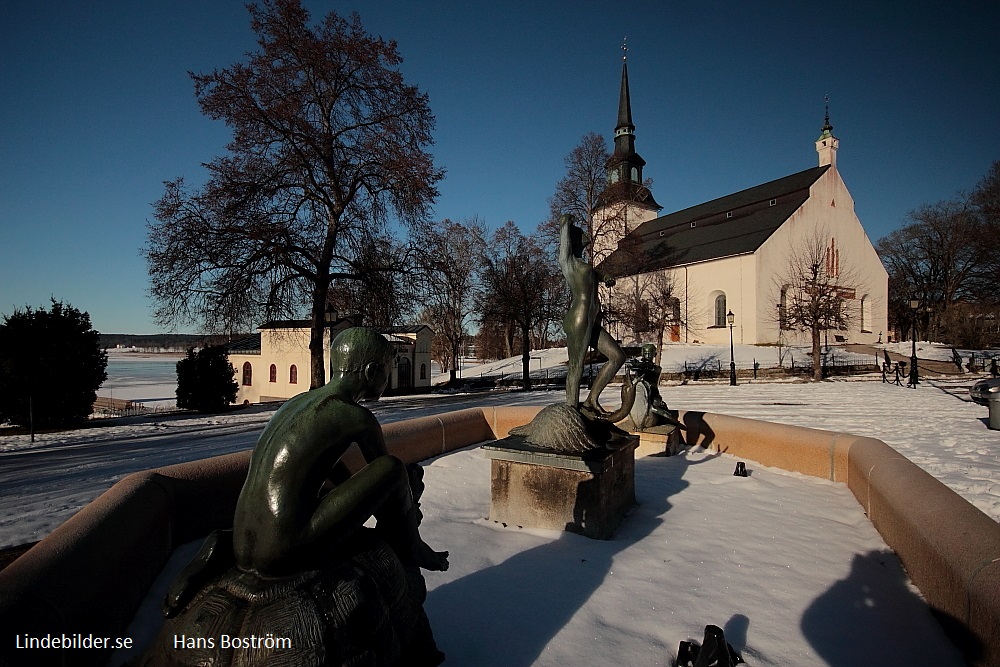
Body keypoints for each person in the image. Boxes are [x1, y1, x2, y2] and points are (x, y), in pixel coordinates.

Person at [164, 327, 447, 615]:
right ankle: (414, 549)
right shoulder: (357, 417)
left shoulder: (297, 403)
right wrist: (408, 524)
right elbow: (387, 484)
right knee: (393, 468)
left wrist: (345, 490)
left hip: (240, 540)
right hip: (286, 549)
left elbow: (324, 465)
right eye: (387, 370)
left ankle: (216, 549)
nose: (389, 377)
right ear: (371, 370)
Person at [559, 214, 626, 416]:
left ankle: (590, 400)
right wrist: (565, 225)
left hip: (590, 320)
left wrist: (605, 277)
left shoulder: (585, 265)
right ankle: (571, 411)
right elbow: (563, 253)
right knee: (576, 367)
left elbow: (595, 273)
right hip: (578, 319)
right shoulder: (569, 263)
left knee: (617, 357)